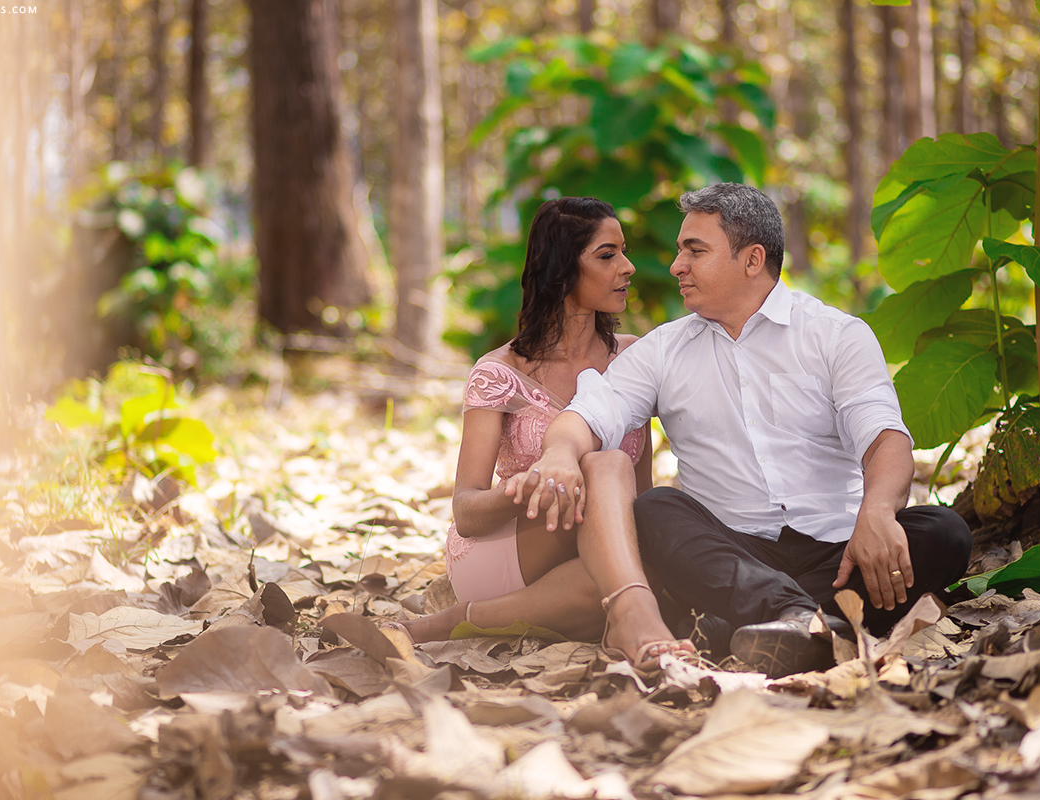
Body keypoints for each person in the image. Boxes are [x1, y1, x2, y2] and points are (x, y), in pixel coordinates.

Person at [506, 183, 972, 678]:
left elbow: (885, 437)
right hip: (727, 556)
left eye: (695, 250)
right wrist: (558, 453)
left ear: (752, 260)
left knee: (945, 532)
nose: (675, 266)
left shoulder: (836, 334)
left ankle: (760, 625)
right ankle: (805, 621)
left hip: (840, 553)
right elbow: (590, 412)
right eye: (681, 249)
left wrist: (877, 511)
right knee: (655, 510)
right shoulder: (664, 349)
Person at [390, 196, 694, 669]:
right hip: (507, 550)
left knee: (631, 568)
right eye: (607, 255)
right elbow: (467, 512)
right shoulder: (499, 373)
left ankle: (463, 622)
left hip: (598, 559)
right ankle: (622, 609)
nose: (629, 267)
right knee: (604, 461)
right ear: (561, 269)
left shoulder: (633, 361)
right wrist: (532, 487)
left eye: (624, 251)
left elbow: (640, 495)